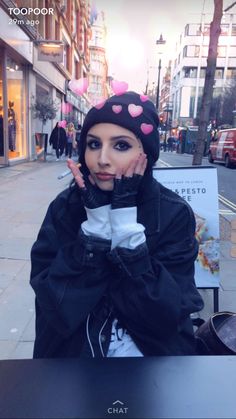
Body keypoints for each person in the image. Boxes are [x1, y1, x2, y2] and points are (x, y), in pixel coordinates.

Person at [30, 91, 204, 358]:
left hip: (150, 369)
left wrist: (125, 229)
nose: (102, 159)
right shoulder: (65, 208)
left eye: (121, 145)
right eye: (93, 144)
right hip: (73, 365)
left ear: (147, 153)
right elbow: (56, 308)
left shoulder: (172, 213)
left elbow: (164, 317)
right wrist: (96, 231)